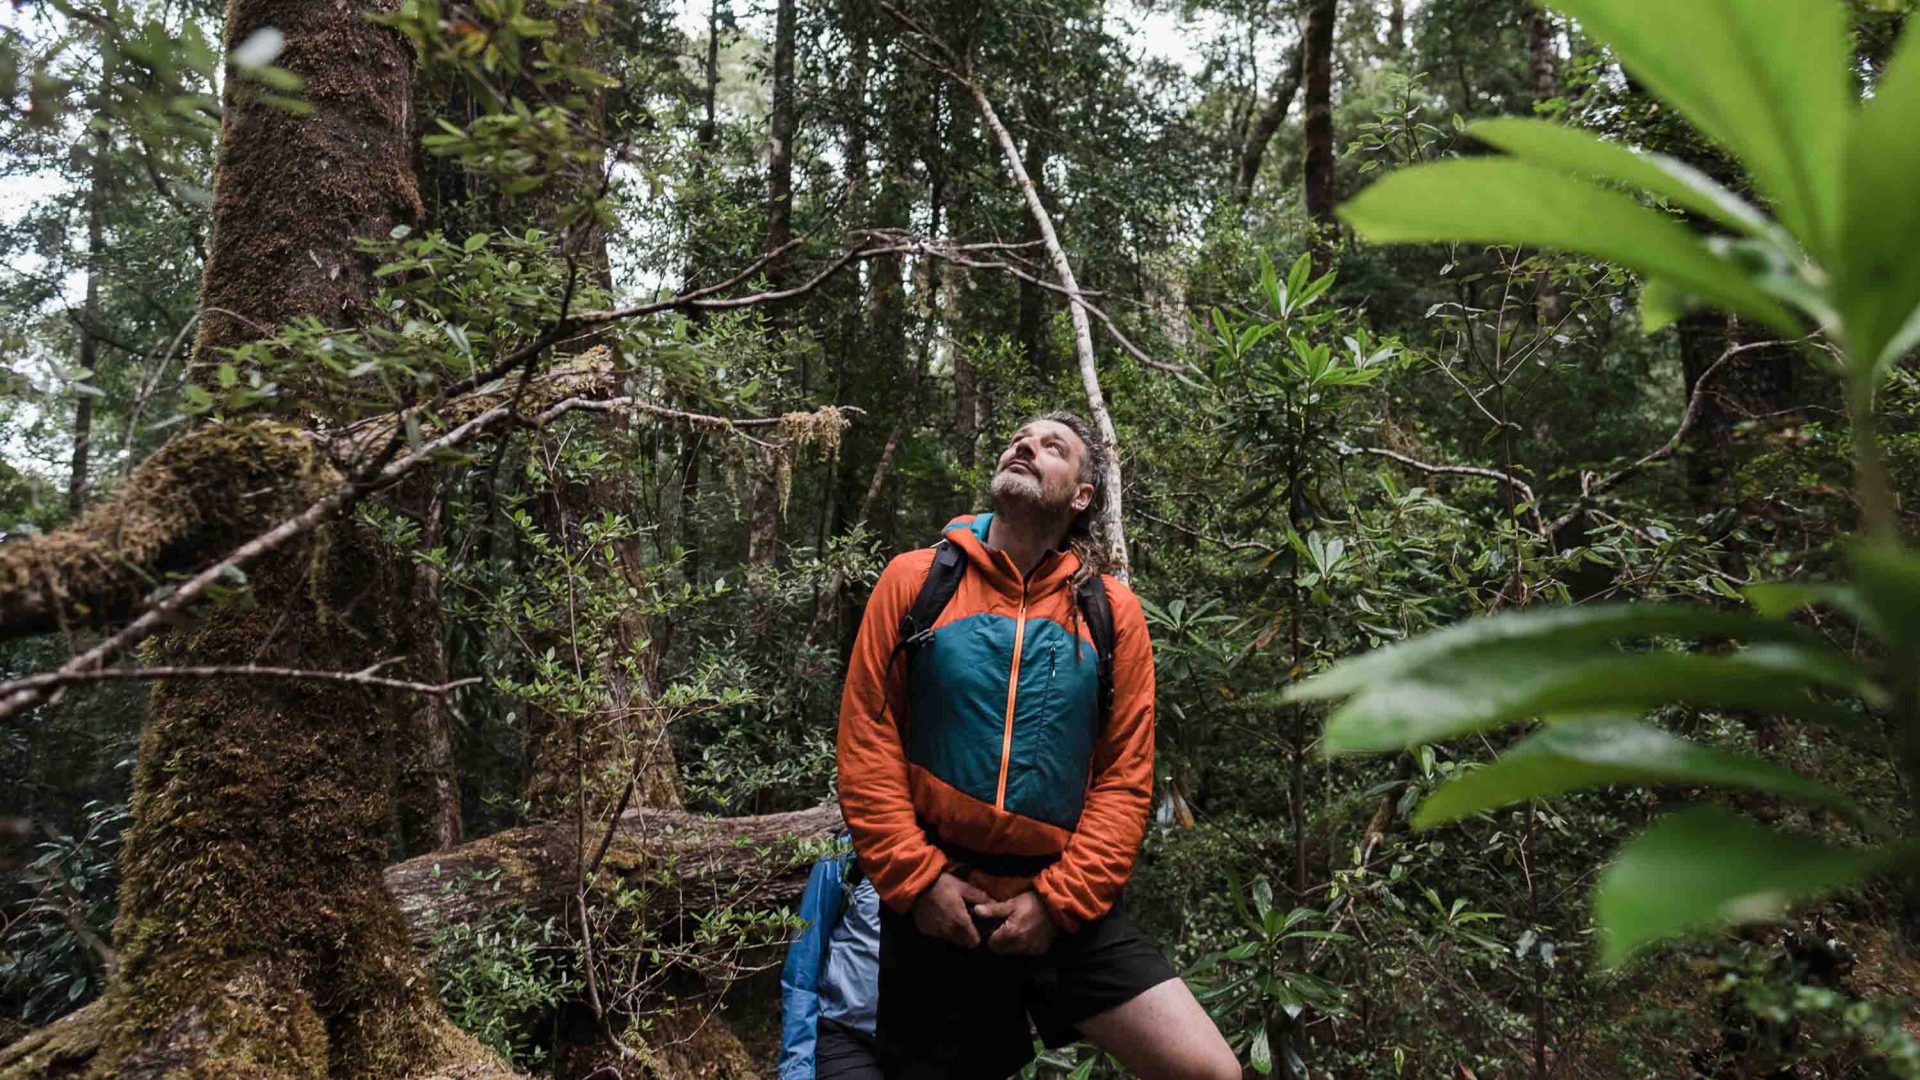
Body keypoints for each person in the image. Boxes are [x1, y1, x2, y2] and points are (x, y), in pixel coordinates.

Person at [834, 412, 1241, 1080]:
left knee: (1209, 1070)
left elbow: (1124, 776)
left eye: (1053, 447)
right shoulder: (916, 582)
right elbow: (868, 744)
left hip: (1063, 904)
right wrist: (919, 880)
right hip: (942, 907)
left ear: (1081, 496)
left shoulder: (1112, 615)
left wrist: (1057, 903)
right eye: (1020, 438)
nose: (1025, 446)